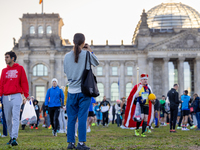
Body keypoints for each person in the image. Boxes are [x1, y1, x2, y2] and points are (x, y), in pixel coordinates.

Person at [64, 33, 99, 149]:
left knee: (71, 118)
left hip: (71, 91)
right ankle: (81, 143)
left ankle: (71, 143)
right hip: (84, 91)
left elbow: (66, 72)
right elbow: (96, 63)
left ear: (73, 42)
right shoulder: (87, 54)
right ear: (83, 42)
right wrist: (90, 50)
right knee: (82, 118)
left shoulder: (66, 56)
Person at [0, 51, 30, 146]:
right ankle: (11, 136)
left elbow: (24, 82)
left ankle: (14, 138)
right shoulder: (4, 71)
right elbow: (1, 84)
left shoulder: (20, 69)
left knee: (16, 117)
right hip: (6, 96)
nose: (5, 59)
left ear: (13, 58)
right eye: (5, 57)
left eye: (7, 57)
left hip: (16, 96)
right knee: (8, 119)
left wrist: (26, 94)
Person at [124, 73, 155, 137]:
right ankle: (137, 129)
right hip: (140, 105)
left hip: (146, 105)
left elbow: (151, 96)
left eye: (146, 79)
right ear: (141, 80)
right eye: (144, 79)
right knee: (141, 117)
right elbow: (131, 97)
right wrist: (135, 96)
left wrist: (152, 100)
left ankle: (143, 132)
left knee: (146, 118)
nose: (145, 81)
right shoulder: (138, 87)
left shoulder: (148, 88)